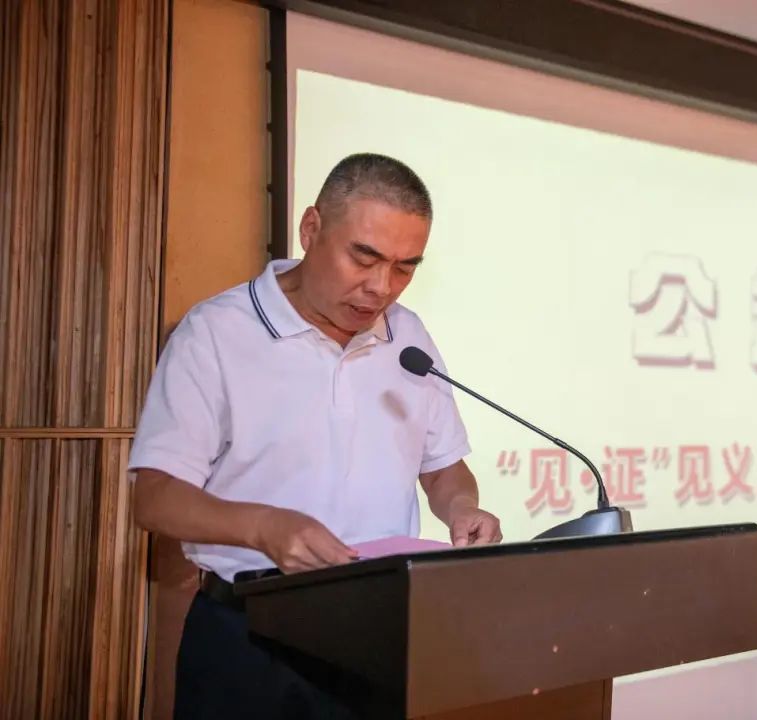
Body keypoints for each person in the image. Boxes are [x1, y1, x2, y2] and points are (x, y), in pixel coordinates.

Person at [130, 153, 501, 717]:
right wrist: (264, 527)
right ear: (310, 228)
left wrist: (462, 507)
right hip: (248, 639)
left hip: (380, 633)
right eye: (364, 258)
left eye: (405, 268)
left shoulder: (408, 337)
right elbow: (155, 498)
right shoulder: (218, 332)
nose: (381, 287)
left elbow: (443, 467)